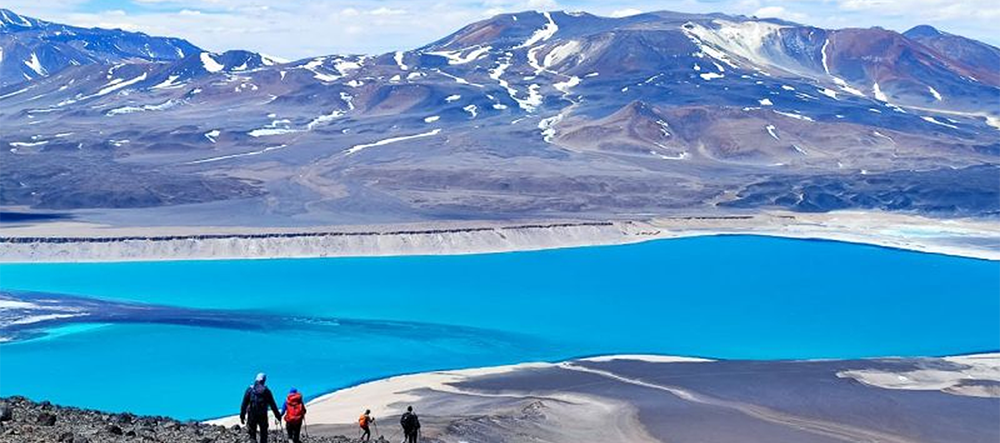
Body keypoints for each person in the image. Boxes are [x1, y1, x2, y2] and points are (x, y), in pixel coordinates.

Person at [240, 373, 282, 443]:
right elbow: (273, 405)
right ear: (264, 380)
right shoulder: (266, 391)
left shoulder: (250, 389)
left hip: (252, 415)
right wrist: (278, 416)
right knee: (264, 434)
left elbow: (244, 404)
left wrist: (242, 416)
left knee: (252, 434)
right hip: (263, 415)